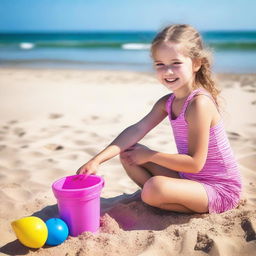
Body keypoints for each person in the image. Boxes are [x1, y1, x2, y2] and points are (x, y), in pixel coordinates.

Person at [76, 24, 242, 214]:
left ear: (196, 63)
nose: (168, 71)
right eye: (160, 64)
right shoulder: (167, 102)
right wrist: (97, 160)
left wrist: (149, 156)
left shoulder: (199, 104)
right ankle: (160, 196)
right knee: (128, 153)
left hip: (219, 190)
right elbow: (137, 130)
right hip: (189, 180)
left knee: (154, 187)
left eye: (176, 63)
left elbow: (195, 163)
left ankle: (158, 196)